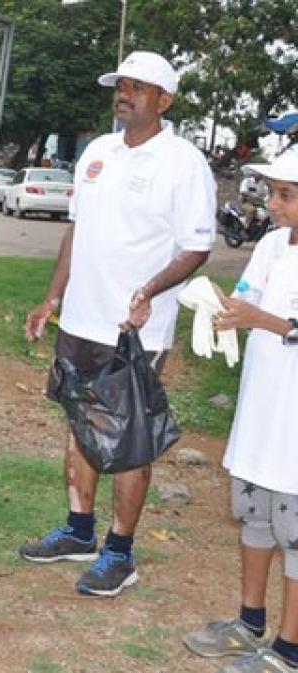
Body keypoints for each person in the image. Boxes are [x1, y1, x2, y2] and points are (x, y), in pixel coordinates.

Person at [21, 51, 215, 597]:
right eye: (121, 85)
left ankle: (120, 553)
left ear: (165, 101)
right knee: (81, 424)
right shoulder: (97, 154)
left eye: (138, 87)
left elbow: (197, 246)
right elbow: (76, 231)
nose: (124, 93)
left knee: (130, 441)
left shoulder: (183, 162)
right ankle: (79, 531)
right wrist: (52, 298)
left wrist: (150, 290)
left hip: (135, 330)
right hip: (81, 320)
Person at [181, 152, 298, 673]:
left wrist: (262, 320)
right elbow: (247, 298)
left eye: (286, 195)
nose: (272, 204)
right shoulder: (273, 245)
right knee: (254, 516)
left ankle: (289, 648)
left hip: (293, 426)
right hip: (259, 414)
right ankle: (249, 621)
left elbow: (275, 320)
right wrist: (220, 305)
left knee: (294, 534)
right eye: (272, 192)